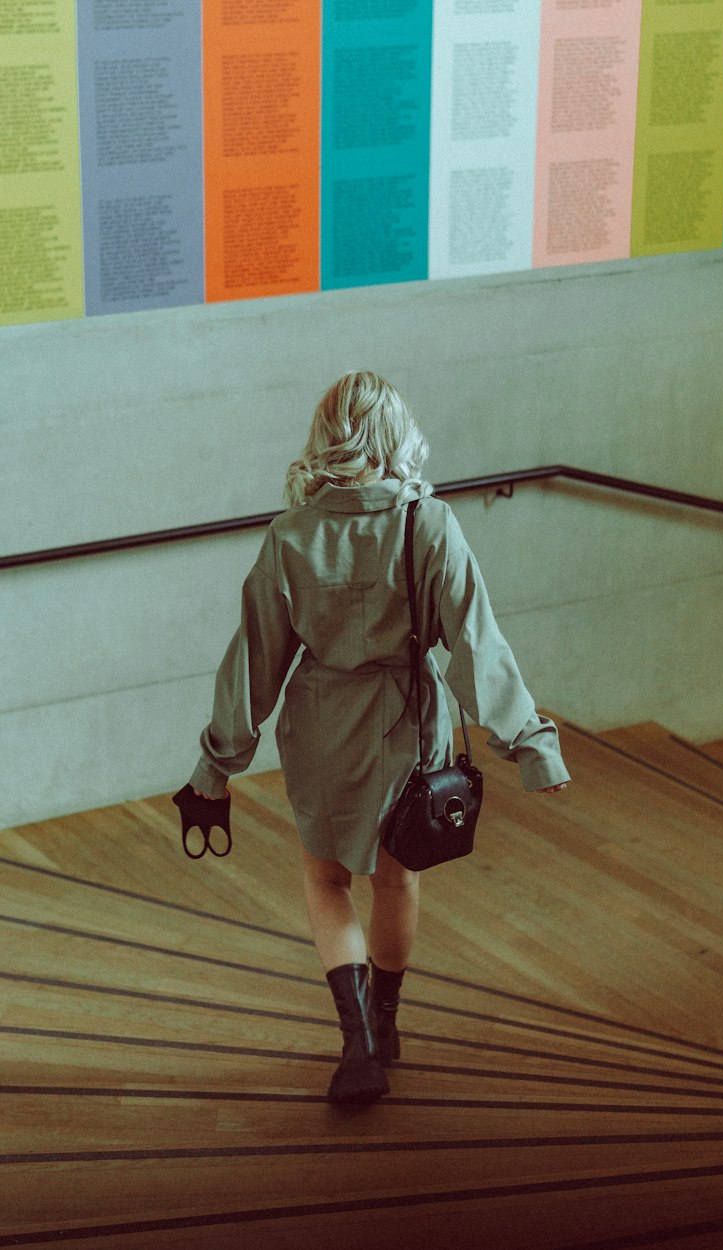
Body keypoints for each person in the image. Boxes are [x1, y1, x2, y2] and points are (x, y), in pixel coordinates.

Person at [188, 371, 570, 1104]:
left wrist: (215, 766)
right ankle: (386, 1020)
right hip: (407, 725)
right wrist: (530, 742)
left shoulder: (291, 535)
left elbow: (254, 661)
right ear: (397, 437)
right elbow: (474, 643)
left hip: (322, 730)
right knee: (397, 878)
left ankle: (356, 1043)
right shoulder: (428, 524)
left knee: (325, 880)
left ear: (325, 435)